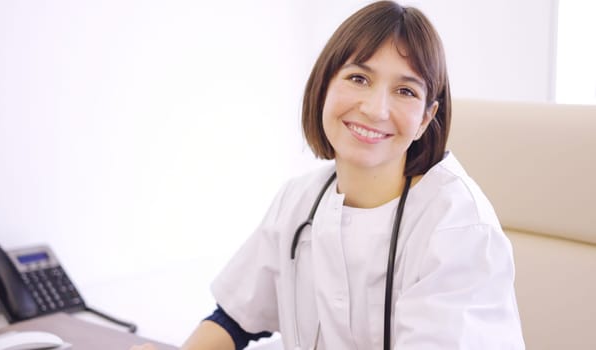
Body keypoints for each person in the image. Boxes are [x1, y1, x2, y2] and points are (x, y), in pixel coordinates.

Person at [132, 1, 525, 349]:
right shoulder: (300, 198)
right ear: (324, 85)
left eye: (405, 91)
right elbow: (235, 318)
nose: (375, 108)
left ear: (426, 118)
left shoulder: (458, 228)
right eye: (359, 78)